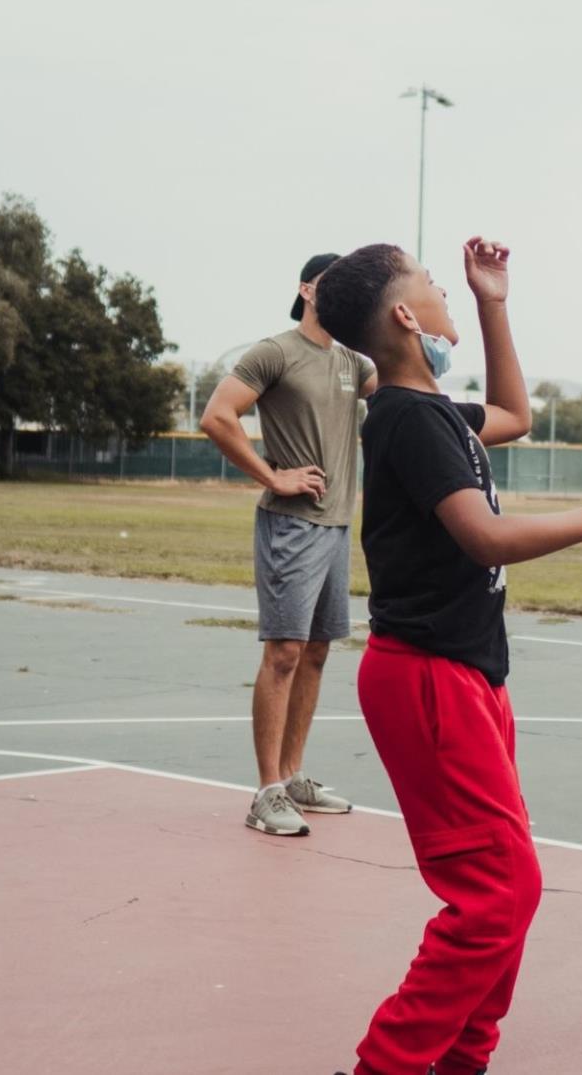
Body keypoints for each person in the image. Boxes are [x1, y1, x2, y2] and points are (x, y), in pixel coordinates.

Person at [315, 236, 582, 1075]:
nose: (443, 293)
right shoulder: (407, 417)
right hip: (427, 675)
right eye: (432, 284)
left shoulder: (432, 412)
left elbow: (515, 415)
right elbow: (484, 536)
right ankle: (389, 1064)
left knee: (510, 885)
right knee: (497, 893)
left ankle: (464, 1057)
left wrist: (495, 300)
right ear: (403, 314)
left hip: (464, 672)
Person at [200, 253, 376, 836]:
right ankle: (266, 791)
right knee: (283, 653)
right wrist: (272, 476)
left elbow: (406, 376)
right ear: (306, 288)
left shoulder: (354, 360)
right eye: (334, 282)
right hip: (291, 526)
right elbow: (218, 416)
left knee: (318, 652)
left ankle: (295, 775)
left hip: (336, 527)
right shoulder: (275, 351)